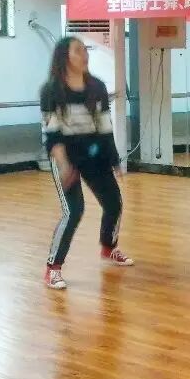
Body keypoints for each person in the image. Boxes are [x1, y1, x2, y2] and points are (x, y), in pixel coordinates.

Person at [42, 37, 132, 290]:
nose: (85, 55)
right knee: (74, 211)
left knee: (114, 203)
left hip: (94, 155)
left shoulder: (97, 87)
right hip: (66, 156)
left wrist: (114, 160)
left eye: (85, 50)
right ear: (64, 57)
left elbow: (104, 127)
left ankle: (108, 248)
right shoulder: (51, 90)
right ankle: (53, 268)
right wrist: (64, 166)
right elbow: (53, 134)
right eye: (78, 51)